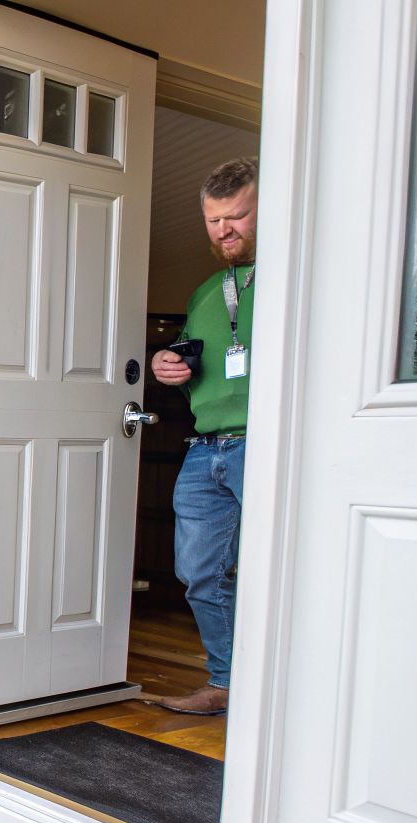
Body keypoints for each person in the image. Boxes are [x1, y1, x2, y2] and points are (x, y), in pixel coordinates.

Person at [149, 158, 258, 716]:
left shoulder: (297, 276)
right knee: (198, 573)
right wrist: (165, 362)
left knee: (274, 572)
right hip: (207, 448)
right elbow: (190, 358)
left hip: (265, 446)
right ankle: (226, 683)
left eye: (237, 216)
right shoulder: (207, 291)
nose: (224, 231)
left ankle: (275, 695)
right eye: (214, 220)